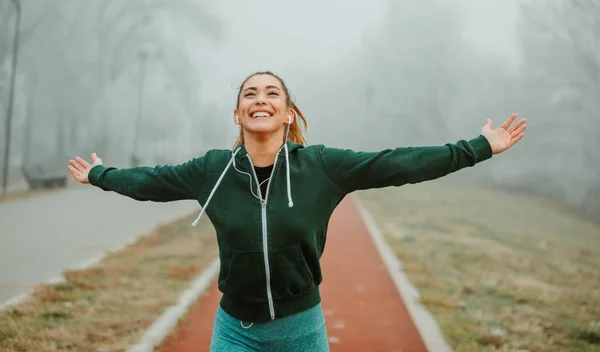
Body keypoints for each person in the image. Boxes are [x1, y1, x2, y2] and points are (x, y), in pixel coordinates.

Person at [68, 71, 527, 351]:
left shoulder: (322, 167)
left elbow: (397, 163)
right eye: (249, 94)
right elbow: (151, 182)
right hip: (236, 331)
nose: (260, 99)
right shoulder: (211, 170)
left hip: (301, 331)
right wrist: (100, 175)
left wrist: (478, 147)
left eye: (271, 93)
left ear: (288, 113)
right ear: (237, 114)